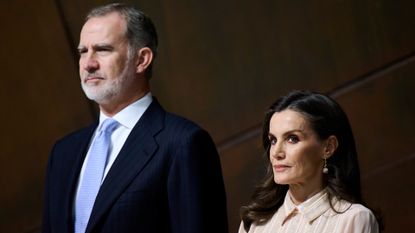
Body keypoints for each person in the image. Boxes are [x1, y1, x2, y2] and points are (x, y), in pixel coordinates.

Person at [42, 3, 228, 233]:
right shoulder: (62, 153)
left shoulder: (182, 143)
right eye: (82, 51)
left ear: (141, 60)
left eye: (102, 49)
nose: (88, 63)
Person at [239, 90, 382, 233]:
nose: (276, 152)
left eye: (292, 139)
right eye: (273, 140)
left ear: (328, 147)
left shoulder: (354, 218)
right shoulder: (255, 221)